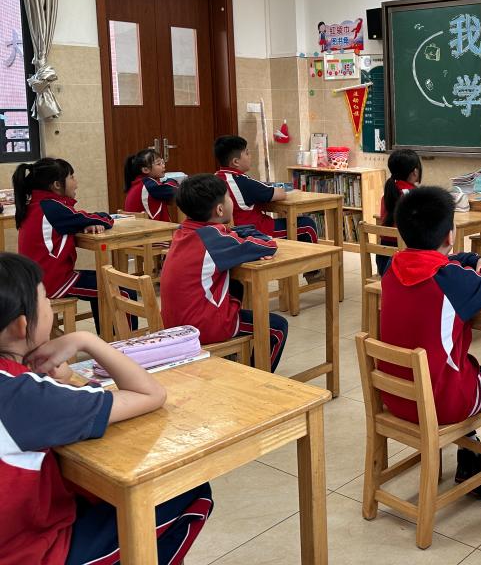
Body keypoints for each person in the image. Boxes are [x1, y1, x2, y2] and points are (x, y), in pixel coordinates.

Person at [0, 252, 213, 565]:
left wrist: (63, 380)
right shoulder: (24, 396)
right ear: (22, 325)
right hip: (32, 553)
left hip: (16, 529)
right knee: (188, 488)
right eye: (44, 298)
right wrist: (86, 340)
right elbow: (150, 394)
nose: (50, 304)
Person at [379, 185, 481, 490]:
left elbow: (446, 262)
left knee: (464, 365)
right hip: (442, 403)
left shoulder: (391, 268)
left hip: (397, 398)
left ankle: (471, 455)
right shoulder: (451, 280)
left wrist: (472, 259)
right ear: (450, 235)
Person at [160, 174, 288, 372]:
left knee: (235, 286)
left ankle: (234, 364)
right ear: (220, 209)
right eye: (228, 197)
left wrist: (236, 236)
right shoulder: (215, 240)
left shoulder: (183, 230)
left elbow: (229, 236)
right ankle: (255, 381)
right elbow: (268, 245)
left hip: (174, 323)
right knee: (277, 327)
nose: (231, 201)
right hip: (201, 327)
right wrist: (248, 238)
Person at [13, 158, 113, 331]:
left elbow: (79, 219)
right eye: (72, 177)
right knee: (116, 289)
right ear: (57, 185)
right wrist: (101, 218)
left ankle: (107, 337)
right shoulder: (53, 208)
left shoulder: (37, 205)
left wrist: (84, 223)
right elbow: (100, 219)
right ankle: (123, 342)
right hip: (53, 282)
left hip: (37, 280)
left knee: (103, 280)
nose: (76, 182)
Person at [214, 135, 319, 253]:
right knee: (308, 224)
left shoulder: (215, 178)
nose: (250, 156)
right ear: (236, 162)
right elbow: (280, 194)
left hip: (230, 234)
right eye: (247, 153)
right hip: (255, 232)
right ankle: (315, 263)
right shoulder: (243, 182)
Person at [376, 148, 421, 275]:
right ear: (415, 171)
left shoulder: (389, 193)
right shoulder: (413, 195)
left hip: (383, 262)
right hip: (403, 263)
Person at [123, 148, 179, 222]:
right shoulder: (148, 184)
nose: (163, 166)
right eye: (158, 164)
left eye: (162, 162)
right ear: (145, 170)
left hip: (137, 226)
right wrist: (171, 180)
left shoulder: (139, 182)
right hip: (148, 228)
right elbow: (173, 190)